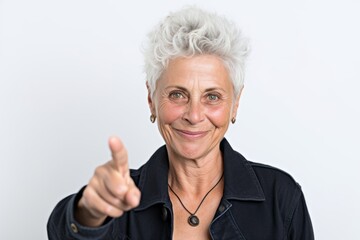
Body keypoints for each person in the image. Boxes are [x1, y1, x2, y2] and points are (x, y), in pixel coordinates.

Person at [47, 6, 314, 240]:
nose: (194, 115)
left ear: (235, 103)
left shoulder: (281, 198)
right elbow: (63, 232)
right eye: (177, 94)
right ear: (151, 100)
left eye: (212, 96)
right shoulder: (119, 199)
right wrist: (89, 213)